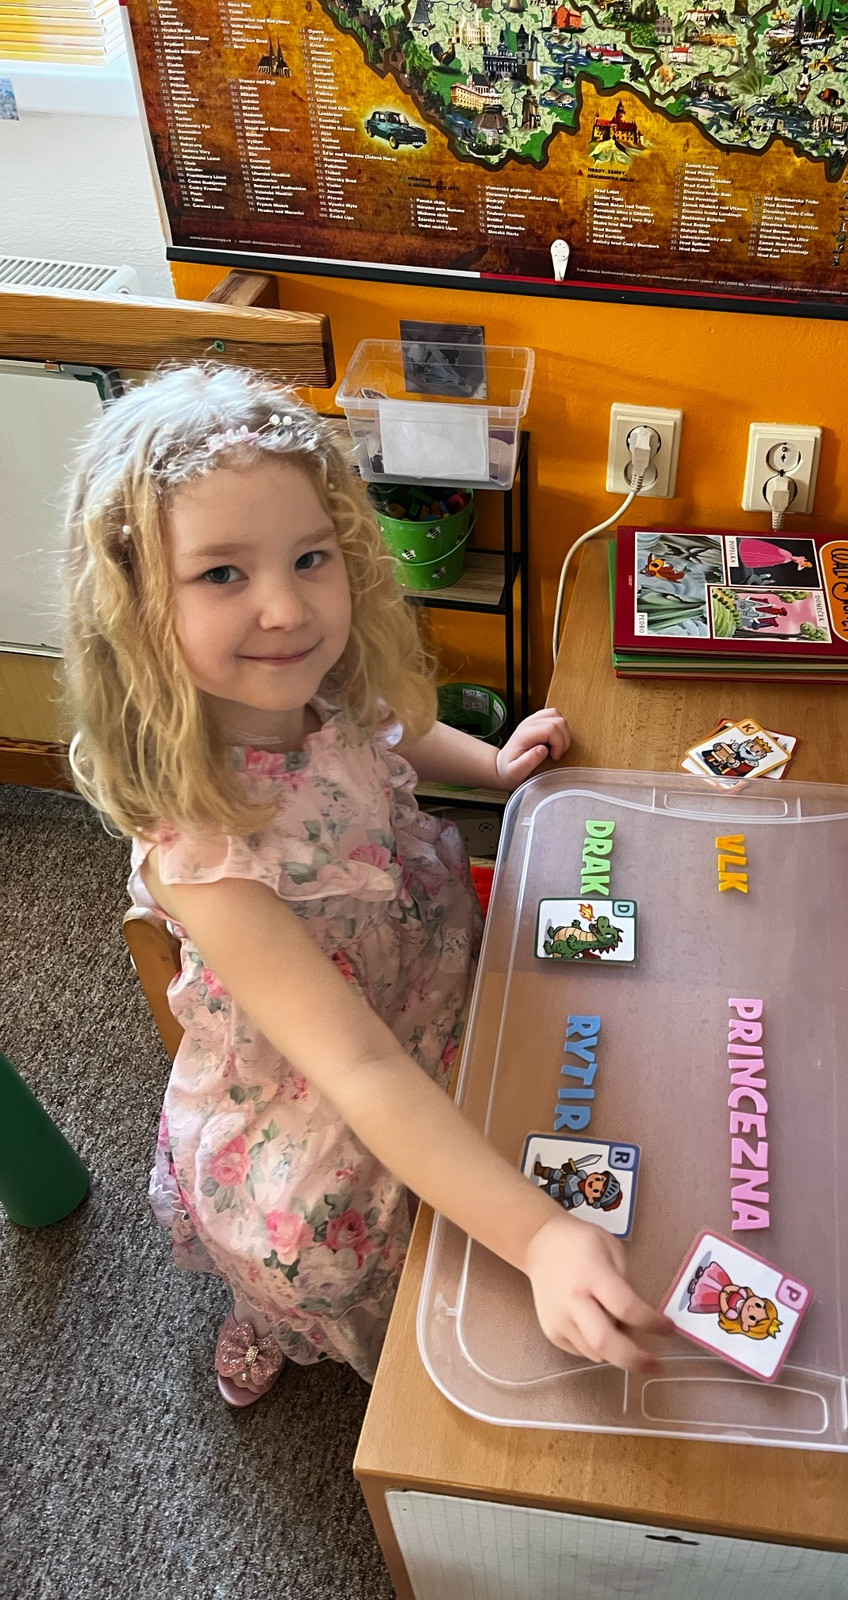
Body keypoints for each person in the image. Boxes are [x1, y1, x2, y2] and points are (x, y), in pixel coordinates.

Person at [61, 363, 668, 1405]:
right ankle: (274, 1325)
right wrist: (539, 1237)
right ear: (136, 608)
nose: (287, 607)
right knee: (321, 1256)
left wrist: (491, 765)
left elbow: (391, 730)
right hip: (318, 1079)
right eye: (222, 574)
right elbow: (359, 1066)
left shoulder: (319, 679)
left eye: (311, 558)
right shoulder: (200, 850)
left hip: (420, 962)